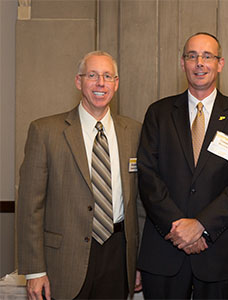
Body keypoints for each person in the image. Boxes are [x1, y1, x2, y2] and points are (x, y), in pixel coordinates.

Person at [137, 32, 228, 299]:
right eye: (192, 56)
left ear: (220, 63)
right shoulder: (158, 113)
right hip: (164, 251)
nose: (199, 63)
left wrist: (201, 225)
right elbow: (148, 175)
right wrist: (178, 228)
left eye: (207, 56)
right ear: (183, 63)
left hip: (219, 253)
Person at [17, 51, 142, 299]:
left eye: (108, 76)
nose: (100, 83)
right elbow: (30, 206)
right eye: (92, 75)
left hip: (118, 255)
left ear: (116, 84)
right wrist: (34, 271)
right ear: (78, 81)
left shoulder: (134, 132)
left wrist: (140, 261)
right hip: (63, 261)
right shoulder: (45, 131)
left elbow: (140, 203)